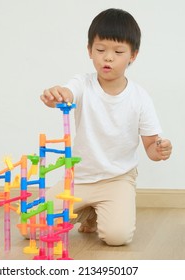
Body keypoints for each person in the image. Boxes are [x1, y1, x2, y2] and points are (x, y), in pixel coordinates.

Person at [40, 8, 172, 246]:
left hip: (117, 180)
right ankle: (89, 211)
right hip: (78, 179)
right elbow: (68, 94)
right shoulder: (82, 83)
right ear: (89, 50)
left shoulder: (140, 97)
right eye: (100, 50)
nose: (108, 57)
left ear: (133, 55)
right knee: (33, 227)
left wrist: (160, 149)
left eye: (118, 51)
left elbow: (151, 146)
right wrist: (57, 96)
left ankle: (96, 212)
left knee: (116, 237)